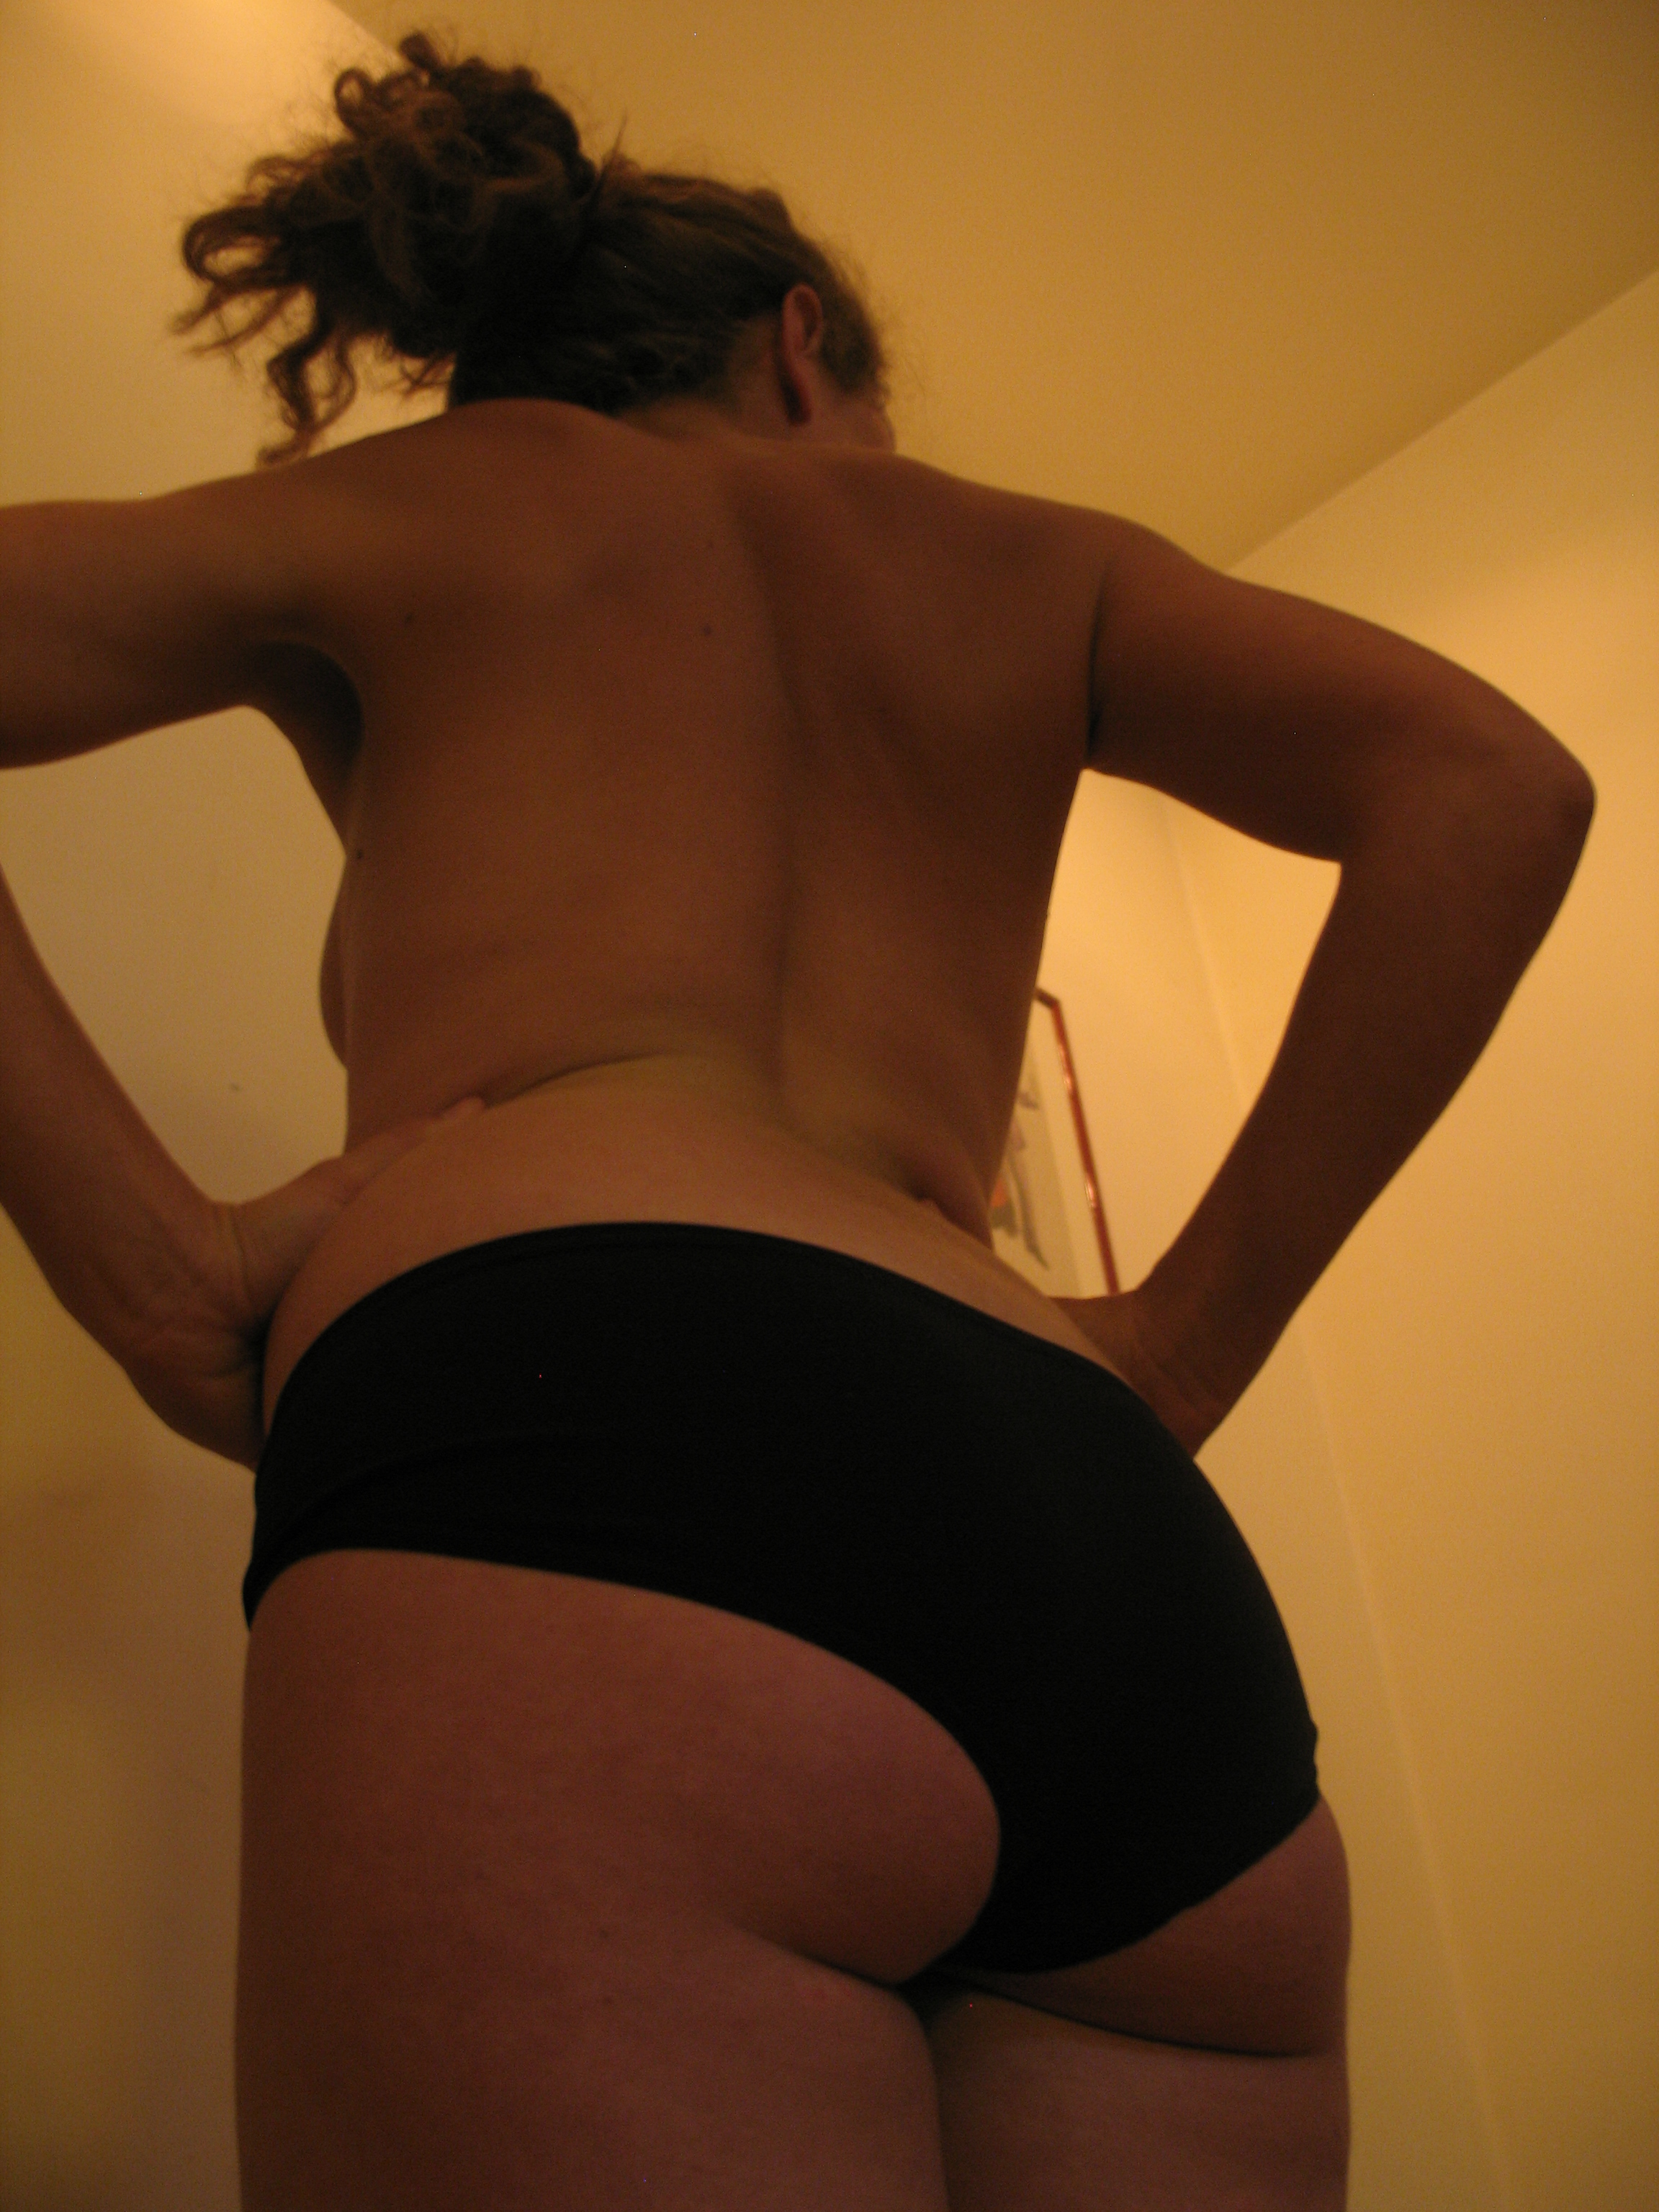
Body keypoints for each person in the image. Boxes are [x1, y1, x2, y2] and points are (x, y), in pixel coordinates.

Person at [0, 32, 1593, 2212]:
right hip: (1110, 1556)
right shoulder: (1041, 562)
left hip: (593, 1425)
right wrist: (1182, 1344)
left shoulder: (431, 509)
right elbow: (1496, 786)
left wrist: (151, 1270)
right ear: (801, 345)